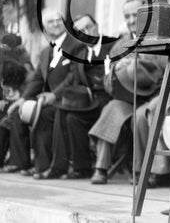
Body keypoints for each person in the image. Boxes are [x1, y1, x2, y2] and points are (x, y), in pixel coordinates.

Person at [89, 0, 166, 185]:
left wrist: (140, 67)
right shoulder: (118, 46)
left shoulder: (160, 39)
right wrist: (116, 70)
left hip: (154, 97)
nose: (132, 20)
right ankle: (101, 167)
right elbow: (108, 86)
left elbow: (166, 74)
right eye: (127, 16)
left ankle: (142, 170)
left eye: (136, 15)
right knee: (111, 108)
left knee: (142, 116)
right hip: (126, 99)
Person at [8, 8, 85, 178]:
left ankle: (47, 167)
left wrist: (54, 95)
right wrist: (23, 98)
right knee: (19, 113)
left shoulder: (76, 45)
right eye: (51, 21)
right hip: (48, 100)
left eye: (59, 19)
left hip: (69, 99)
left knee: (42, 115)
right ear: (45, 27)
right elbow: (36, 79)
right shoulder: (45, 52)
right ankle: (27, 164)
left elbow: (74, 76)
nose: (56, 23)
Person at [40, 14, 115, 179]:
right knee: (67, 115)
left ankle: (69, 167)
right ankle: (75, 168)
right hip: (89, 100)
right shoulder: (80, 53)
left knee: (70, 116)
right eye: (81, 31)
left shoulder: (112, 46)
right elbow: (73, 78)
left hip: (110, 99)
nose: (87, 32)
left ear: (96, 26)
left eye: (89, 27)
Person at [0, 59, 28, 171]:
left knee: (4, 125)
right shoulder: (7, 86)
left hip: (17, 111)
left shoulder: (22, 86)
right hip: (8, 112)